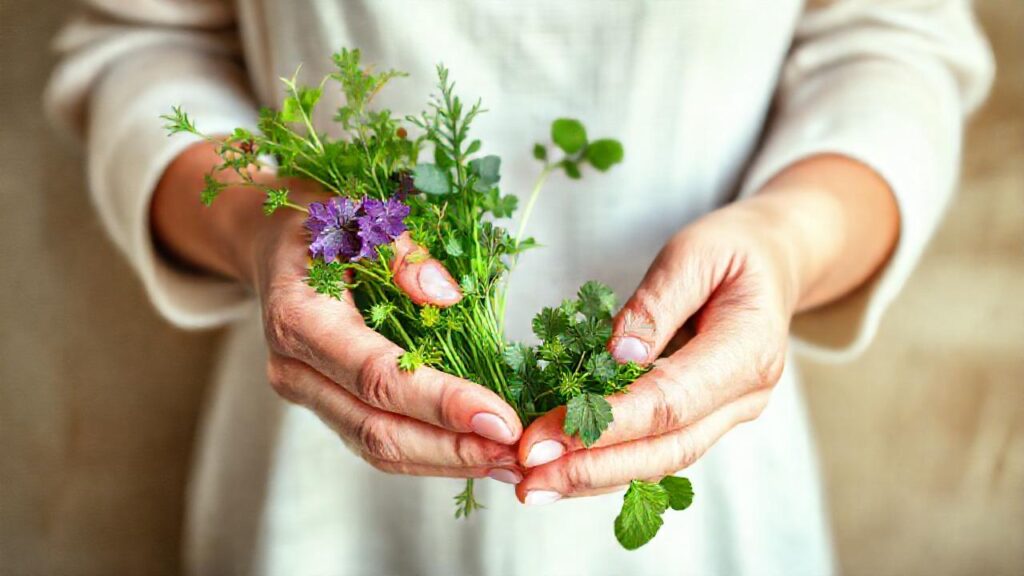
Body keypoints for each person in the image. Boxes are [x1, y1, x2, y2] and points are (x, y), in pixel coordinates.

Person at [46, 1, 993, 574]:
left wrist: (787, 241)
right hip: (323, 466)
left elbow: (892, 41)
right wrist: (277, 225)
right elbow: (142, 43)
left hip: (710, 450)